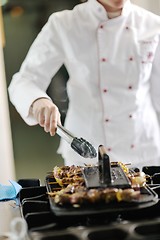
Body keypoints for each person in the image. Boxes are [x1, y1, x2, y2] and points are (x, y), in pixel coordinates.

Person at [8, 0, 160, 169]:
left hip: (143, 151)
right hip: (86, 152)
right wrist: (38, 100)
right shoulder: (64, 23)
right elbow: (24, 80)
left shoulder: (152, 24)